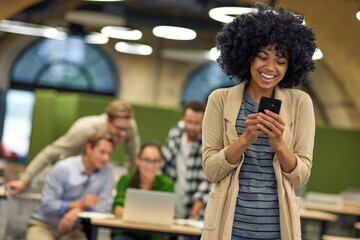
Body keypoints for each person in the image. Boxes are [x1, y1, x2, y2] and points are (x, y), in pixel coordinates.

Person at [201, 4, 317, 240]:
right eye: (262, 57)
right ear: (247, 56)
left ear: (291, 64)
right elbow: (211, 170)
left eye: (281, 61)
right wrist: (244, 140)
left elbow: (301, 177)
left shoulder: (300, 103)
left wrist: (279, 144)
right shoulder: (220, 100)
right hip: (228, 228)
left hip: (277, 229)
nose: (271, 67)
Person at [7, 100, 140, 195]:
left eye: (126, 129)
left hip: (94, 178)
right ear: (108, 121)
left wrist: (131, 188)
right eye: (119, 129)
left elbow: (134, 158)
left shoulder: (130, 127)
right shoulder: (85, 128)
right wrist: (24, 179)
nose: (123, 134)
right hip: (70, 179)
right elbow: (51, 152)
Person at [26, 131, 115, 240]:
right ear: (89, 148)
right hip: (44, 225)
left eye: (109, 154)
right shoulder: (63, 168)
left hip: (72, 229)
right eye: (102, 152)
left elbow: (106, 206)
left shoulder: (107, 171)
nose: (106, 158)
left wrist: (79, 210)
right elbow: (47, 204)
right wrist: (78, 204)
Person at [112, 141, 174, 240]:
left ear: (161, 163)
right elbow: (118, 208)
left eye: (155, 161)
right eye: (146, 160)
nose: (150, 166)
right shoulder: (126, 179)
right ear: (138, 160)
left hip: (155, 234)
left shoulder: (167, 184)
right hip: (127, 232)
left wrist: (133, 215)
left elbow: (167, 214)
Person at [161, 100, 211, 220]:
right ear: (183, 119)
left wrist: (193, 215)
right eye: (188, 122)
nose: (192, 128)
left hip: (194, 208)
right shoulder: (175, 133)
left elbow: (207, 181)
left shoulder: (207, 142)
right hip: (171, 202)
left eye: (197, 124)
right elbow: (163, 164)